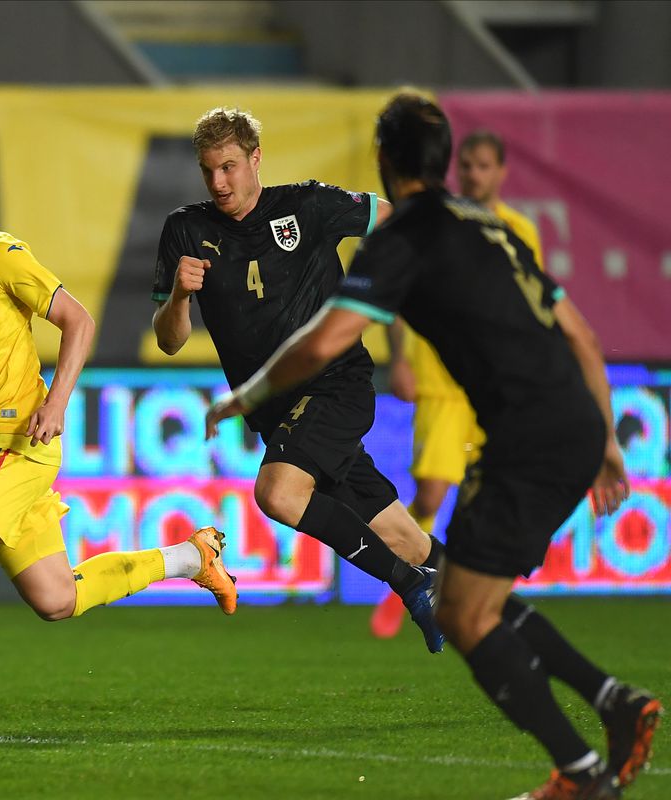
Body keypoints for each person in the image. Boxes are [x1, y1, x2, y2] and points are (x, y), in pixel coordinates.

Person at [206, 91, 660, 800]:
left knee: (459, 611)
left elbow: (324, 342)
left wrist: (247, 394)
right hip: (575, 420)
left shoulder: (403, 238)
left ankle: (580, 775)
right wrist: (605, 442)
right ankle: (613, 702)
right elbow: (582, 334)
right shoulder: (490, 225)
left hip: (526, 437)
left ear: (385, 160)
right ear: (446, 160)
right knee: (467, 592)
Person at [0, 139, 237, 735]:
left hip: (16, 438)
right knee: (56, 599)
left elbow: (78, 321)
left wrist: (56, 402)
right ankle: (192, 557)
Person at [151, 107, 444, 653]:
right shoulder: (186, 230)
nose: (219, 182)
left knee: (279, 493)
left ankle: (410, 585)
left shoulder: (307, 206)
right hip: (278, 414)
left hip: (336, 384)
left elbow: (398, 221)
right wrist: (179, 297)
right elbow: (170, 340)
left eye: (229, 167)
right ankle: (479, 594)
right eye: (208, 170)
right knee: (406, 538)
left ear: (256, 158)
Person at [370, 129, 547, 639]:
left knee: (492, 494)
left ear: (501, 172)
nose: (473, 174)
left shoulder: (518, 229)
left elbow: (532, 305)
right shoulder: (436, 223)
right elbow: (400, 294)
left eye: (483, 166)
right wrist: (400, 360)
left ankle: (481, 591)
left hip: (495, 384)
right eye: (466, 165)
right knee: (430, 494)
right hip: (442, 381)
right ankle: (407, 582)